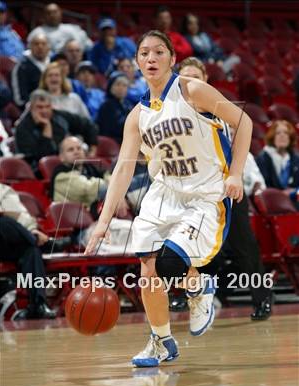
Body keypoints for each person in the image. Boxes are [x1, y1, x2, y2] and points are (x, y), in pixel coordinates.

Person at [85, 30, 252, 367]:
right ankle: (162, 341)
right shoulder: (137, 116)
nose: (151, 58)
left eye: (159, 52)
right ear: (136, 63)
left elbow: (244, 121)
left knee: (169, 264)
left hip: (204, 195)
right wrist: (102, 224)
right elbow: (123, 169)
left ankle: (198, 286)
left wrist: (235, 173)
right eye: (144, 53)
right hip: (164, 194)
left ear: (172, 58)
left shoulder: (192, 90)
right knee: (148, 270)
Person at [177, 56, 272, 320]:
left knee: (244, 247)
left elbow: (241, 133)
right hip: (193, 190)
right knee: (187, 246)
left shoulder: (217, 104)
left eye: (195, 76)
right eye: (185, 77)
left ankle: (262, 298)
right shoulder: (172, 111)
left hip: (225, 186)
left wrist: (237, 175)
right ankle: (187, 297)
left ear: (205, 79)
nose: (190, 82)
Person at [0, 183, 57, 320]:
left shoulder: (3, 190)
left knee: (31, 251)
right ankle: (44, 243)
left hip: (8, 241)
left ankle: (38, 305)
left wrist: (32, 230)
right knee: (4, 221)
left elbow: (23, 217)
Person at [15, 89, 98, 173]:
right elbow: (37, 159)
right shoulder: (22, 128)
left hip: (67, 165)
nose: (44, 111)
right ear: (31, 108)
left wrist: (92, 150)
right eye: (39, 107)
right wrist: (46, 131)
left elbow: (89, 126)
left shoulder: (60, 116)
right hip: (39, 171)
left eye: (47, 106)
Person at [256, 120, 299, 207]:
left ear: (290, 137)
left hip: (294, 200)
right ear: (272, 137)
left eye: (286, 133)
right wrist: (280, 195)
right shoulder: (262, 158)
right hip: (272, 202)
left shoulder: (295, 159)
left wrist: (294, 191)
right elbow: (263, 186)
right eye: (278, 133)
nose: (282, 135)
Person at [27, 3, 92, 54]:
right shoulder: (36, 33)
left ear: (61, 13)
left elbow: (89, 47)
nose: (52, 15)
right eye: (49, 13)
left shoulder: (73, 29)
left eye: (55, 12)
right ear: (43, 15)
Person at [11, 33, 51, 107]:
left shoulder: (54, 63)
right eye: (36, 44)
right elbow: (20, 99)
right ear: (30, 47)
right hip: (32, 109)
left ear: (49, 47)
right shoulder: (22, 67)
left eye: (43, 44)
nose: (40, 47)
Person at [96, 71, 133, 144]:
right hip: (112, 143)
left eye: (124, 85)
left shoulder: (127, 104)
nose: (121, 88)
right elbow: (112, 130)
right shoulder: (107, 105)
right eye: (118, 84)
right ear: (111, 87)